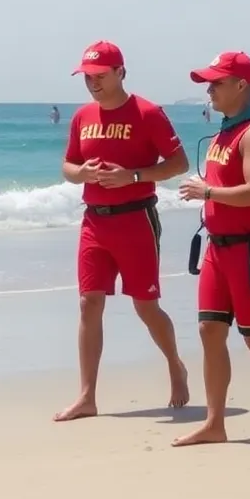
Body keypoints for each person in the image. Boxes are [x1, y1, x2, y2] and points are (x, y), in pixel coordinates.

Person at [56, 40, 190, 421]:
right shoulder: (83, 116)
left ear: (120, 73)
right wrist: (81, 174)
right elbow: (68, 165)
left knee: (145, 306)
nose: (93, 83)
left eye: (100, 76)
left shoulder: (147, 113)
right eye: (87, 77)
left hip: (136, 219)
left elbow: (178, 163)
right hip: (94, 221)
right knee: (88, 303)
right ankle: (87, 396)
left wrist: (133, 176)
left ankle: (175, 365)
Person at [174, 52, 250, 449]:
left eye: (217, 82)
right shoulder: (225, 132)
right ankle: (215, 422)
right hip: (217, 248)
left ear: (241, 85)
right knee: (210, 330)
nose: (209, 89)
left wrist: (207, 191)